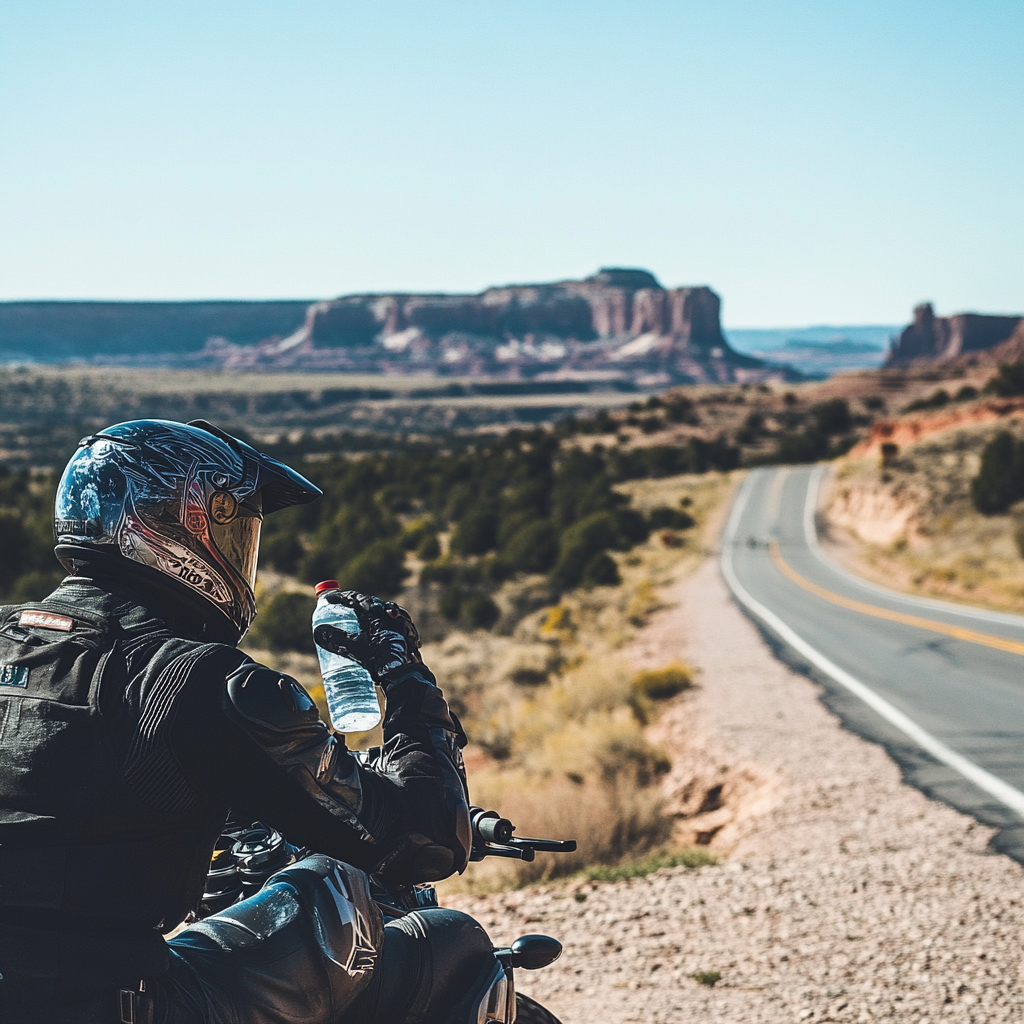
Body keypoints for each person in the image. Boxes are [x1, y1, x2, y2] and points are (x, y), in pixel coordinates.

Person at [0, 419, 489, 1024]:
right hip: (117, 1006)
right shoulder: (203, 681)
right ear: (182, 525)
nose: (243, 555)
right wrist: (404, 673)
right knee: (435, 938)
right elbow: (427, 841)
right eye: (239, 529)